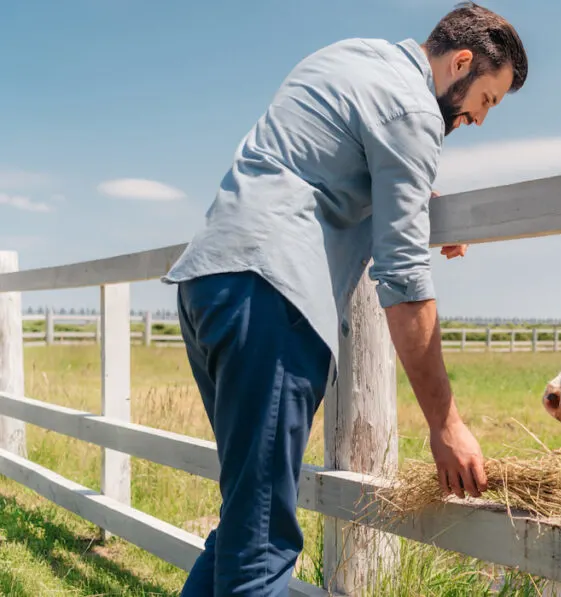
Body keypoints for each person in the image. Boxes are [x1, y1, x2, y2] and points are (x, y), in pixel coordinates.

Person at [160, 2, 528, 595]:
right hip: (272, 302)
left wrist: (420, 199)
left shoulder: (350, 57)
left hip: (210, 283)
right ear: (462, 62)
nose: (479, 119)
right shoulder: (414, 112)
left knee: (243, 522)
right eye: (486, 100)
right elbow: (404, 277)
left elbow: (331, 153)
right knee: (261, 549)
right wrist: (446, 423)